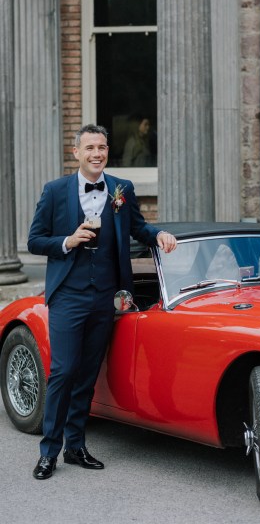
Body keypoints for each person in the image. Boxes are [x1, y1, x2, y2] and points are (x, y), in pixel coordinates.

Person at [28, 123, 177, 480]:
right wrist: (68, 240)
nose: (97, 154)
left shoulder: (121, 190)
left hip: (106, 297)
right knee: (63, 371)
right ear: (76, 152)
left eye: (103, 148)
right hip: (68, 294)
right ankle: (49, 451)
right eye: (90, 147)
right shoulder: (55, 191)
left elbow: (139, 227)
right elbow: (35, 240)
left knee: (87, 373)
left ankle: (75, 446)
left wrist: (160, 234)